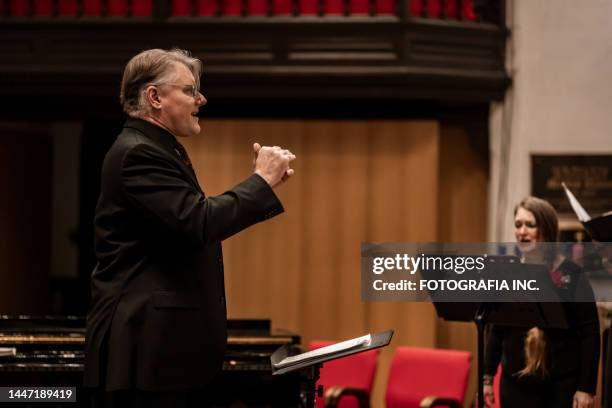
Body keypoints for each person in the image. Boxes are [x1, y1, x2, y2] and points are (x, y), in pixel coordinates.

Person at [84, 48, 296, 407]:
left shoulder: (157, 148)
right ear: (154, 97)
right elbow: (198, 221)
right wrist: (260, 181)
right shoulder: (138, 152)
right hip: (146, 348)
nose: (201, 98)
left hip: (160, 348)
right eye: (189, 90)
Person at [483, 196, 600, 408]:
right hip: (515, 384)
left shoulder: (572, 274)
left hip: (560, 385)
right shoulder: (507, 273)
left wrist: (586, 388)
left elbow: (590, 334)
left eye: (530, 225)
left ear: (545, 228)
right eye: (518, 225)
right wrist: (488, 377)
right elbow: (496, 330)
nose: (522, 231)